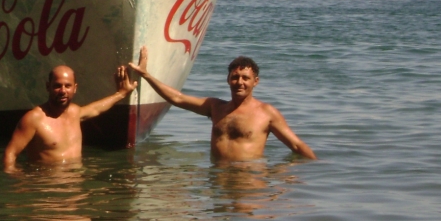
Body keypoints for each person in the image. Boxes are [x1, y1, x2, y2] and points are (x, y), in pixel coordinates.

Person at [128, 47, 316, 161]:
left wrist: (318, 172)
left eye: (245, 78)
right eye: (235, 77)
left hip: (247, 179)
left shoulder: (266, 113)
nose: (239, 82)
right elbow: (177, 98)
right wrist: (146, 75)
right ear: (227, 79)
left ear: (255, 82)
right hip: (217, 177)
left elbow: (297, 146)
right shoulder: (215, 107)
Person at [3, 64, 137, 172]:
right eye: (57, 86)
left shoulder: (75, 112)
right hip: (46, 191)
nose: (63, 91)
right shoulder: (34, 119)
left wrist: (121, 94)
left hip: (75, 189)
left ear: (75, 88)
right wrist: (20, 184)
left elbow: (95, 109)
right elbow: (10, 154)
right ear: (47, 87)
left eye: (67, 86)